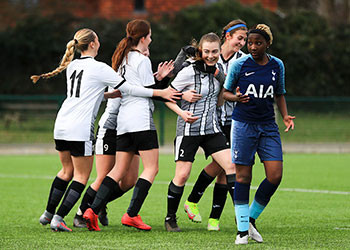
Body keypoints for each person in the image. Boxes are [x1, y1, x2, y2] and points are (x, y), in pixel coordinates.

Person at [32, 28, 180, 232]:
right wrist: (160, 90)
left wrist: (110, 95)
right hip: (80, 127)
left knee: (66, 171)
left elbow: (89, 94)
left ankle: (47, 214)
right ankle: (59, 218)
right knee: (81, 177)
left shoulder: (73, 65)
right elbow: (129, 89)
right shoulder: (100, 68)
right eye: (98, 39)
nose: (100, 42)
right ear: (92, 44)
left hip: (61, 123)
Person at [83, 19, 178, 232]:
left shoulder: (122, 58)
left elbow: (138, 86)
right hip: (140, 118)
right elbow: (147, 90)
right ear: (143, 38)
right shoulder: (142, 60)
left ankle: (92, 210)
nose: (151, 40)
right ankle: (132, 214)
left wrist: (159, 80)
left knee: (119, 169)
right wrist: (163, 85)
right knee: (152, 168)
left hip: (123, 121)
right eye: (150, 36)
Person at [223, 24, 295, 244]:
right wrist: (235, 98)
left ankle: (249, 219)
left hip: (268, 126)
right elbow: (225, 92)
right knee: (243, 176)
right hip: (244, 125)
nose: (252, 47)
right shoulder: (239, 65)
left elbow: (280, 93)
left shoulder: (277, 65)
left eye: (258, 43)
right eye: (250, 42)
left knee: (275, 175)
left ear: (267, 44)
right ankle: (242, 232)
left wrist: (285, 116)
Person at [163, 32, 237, 233]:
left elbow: (222, 97)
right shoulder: (188, 72)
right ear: (200, 51)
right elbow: (168, 96)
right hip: (189, 129)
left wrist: (222, 93)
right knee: (183, 174)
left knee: (231, 166)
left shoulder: (219, 70)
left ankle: (242, 216)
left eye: (214, 51)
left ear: (219, 51)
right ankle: (170, 218)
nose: (211, 55)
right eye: (207, 52)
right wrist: (182, 111)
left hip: (212, 128)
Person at [183, 19, 249, 231]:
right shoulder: (210, 55)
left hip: (236, 119)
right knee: (226, 164)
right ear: (227, 36)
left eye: (245, 39)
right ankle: (195, 202)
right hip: (213, 120)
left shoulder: (244, 60)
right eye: (239, 38)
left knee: (225, 167)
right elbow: (184, 74)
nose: (242, 43)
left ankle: (213, 218)